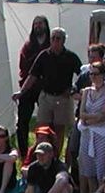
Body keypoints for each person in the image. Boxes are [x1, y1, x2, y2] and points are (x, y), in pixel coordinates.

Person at [20, 26, 81, 160]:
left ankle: (55, 159)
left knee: (59, 130)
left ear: (63, 40)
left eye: (58, 38)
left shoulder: (71, 57)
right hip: (46, 96)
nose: (54, 41)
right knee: (42, 128)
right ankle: (40, 157)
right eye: (52, 38)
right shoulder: (43, 55)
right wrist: (22, 91)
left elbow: (81, 74)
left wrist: (74, 89)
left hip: (63, 98)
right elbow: (32, 76)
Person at [76, 62, 105, 193]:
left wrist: (89, 119)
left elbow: (103, 115)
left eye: (96, 74)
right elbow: (81, 114)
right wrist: (92, 118)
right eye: (91, 74)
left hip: (102, 135)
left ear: (103, 75)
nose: (93, 77)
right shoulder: (87, 91)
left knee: (101, 171)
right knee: (88, 170)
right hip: (87, 134)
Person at [14, 15, 52, 156]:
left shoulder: (51, 44)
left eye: (40, 23)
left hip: (45, 88)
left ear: (46, 25)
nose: (38, 26)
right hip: (28, 87)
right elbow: (24, 66)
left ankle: (46, 150)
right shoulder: (28, 46)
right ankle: (24, 152)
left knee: (46, 121)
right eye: (35, 24)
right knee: (22, 121)